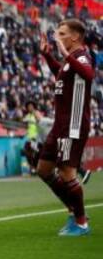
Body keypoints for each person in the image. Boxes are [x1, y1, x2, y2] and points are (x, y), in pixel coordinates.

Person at [37, 19, 94, 236]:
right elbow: (61, 76)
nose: (57, 38)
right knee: (43, 169)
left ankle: (80, 222)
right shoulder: (70, 61)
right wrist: (47, 55)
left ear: (75, 37)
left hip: (73, 124)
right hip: (60, 125)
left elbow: (88, 74)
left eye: (62, 34)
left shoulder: (81, 56)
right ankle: (73, 208)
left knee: (67, 171)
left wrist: (63, 53)